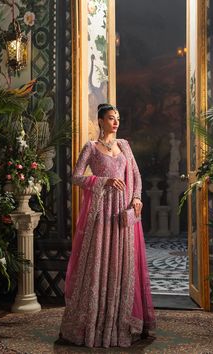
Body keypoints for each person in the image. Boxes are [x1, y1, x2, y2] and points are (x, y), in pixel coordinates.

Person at [59, 103, 156, 348]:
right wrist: (103, 181)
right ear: (100, 121)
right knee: (99, 263)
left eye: (118, 118)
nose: (116, 122)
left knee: (122, 264)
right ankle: (92, 324)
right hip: (101, 214)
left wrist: (136, 198)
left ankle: (119, 323)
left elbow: (135, 176)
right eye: (111, 118)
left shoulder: (124, 145)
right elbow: (76, 176)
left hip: (123, 214)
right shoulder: (91, 147)